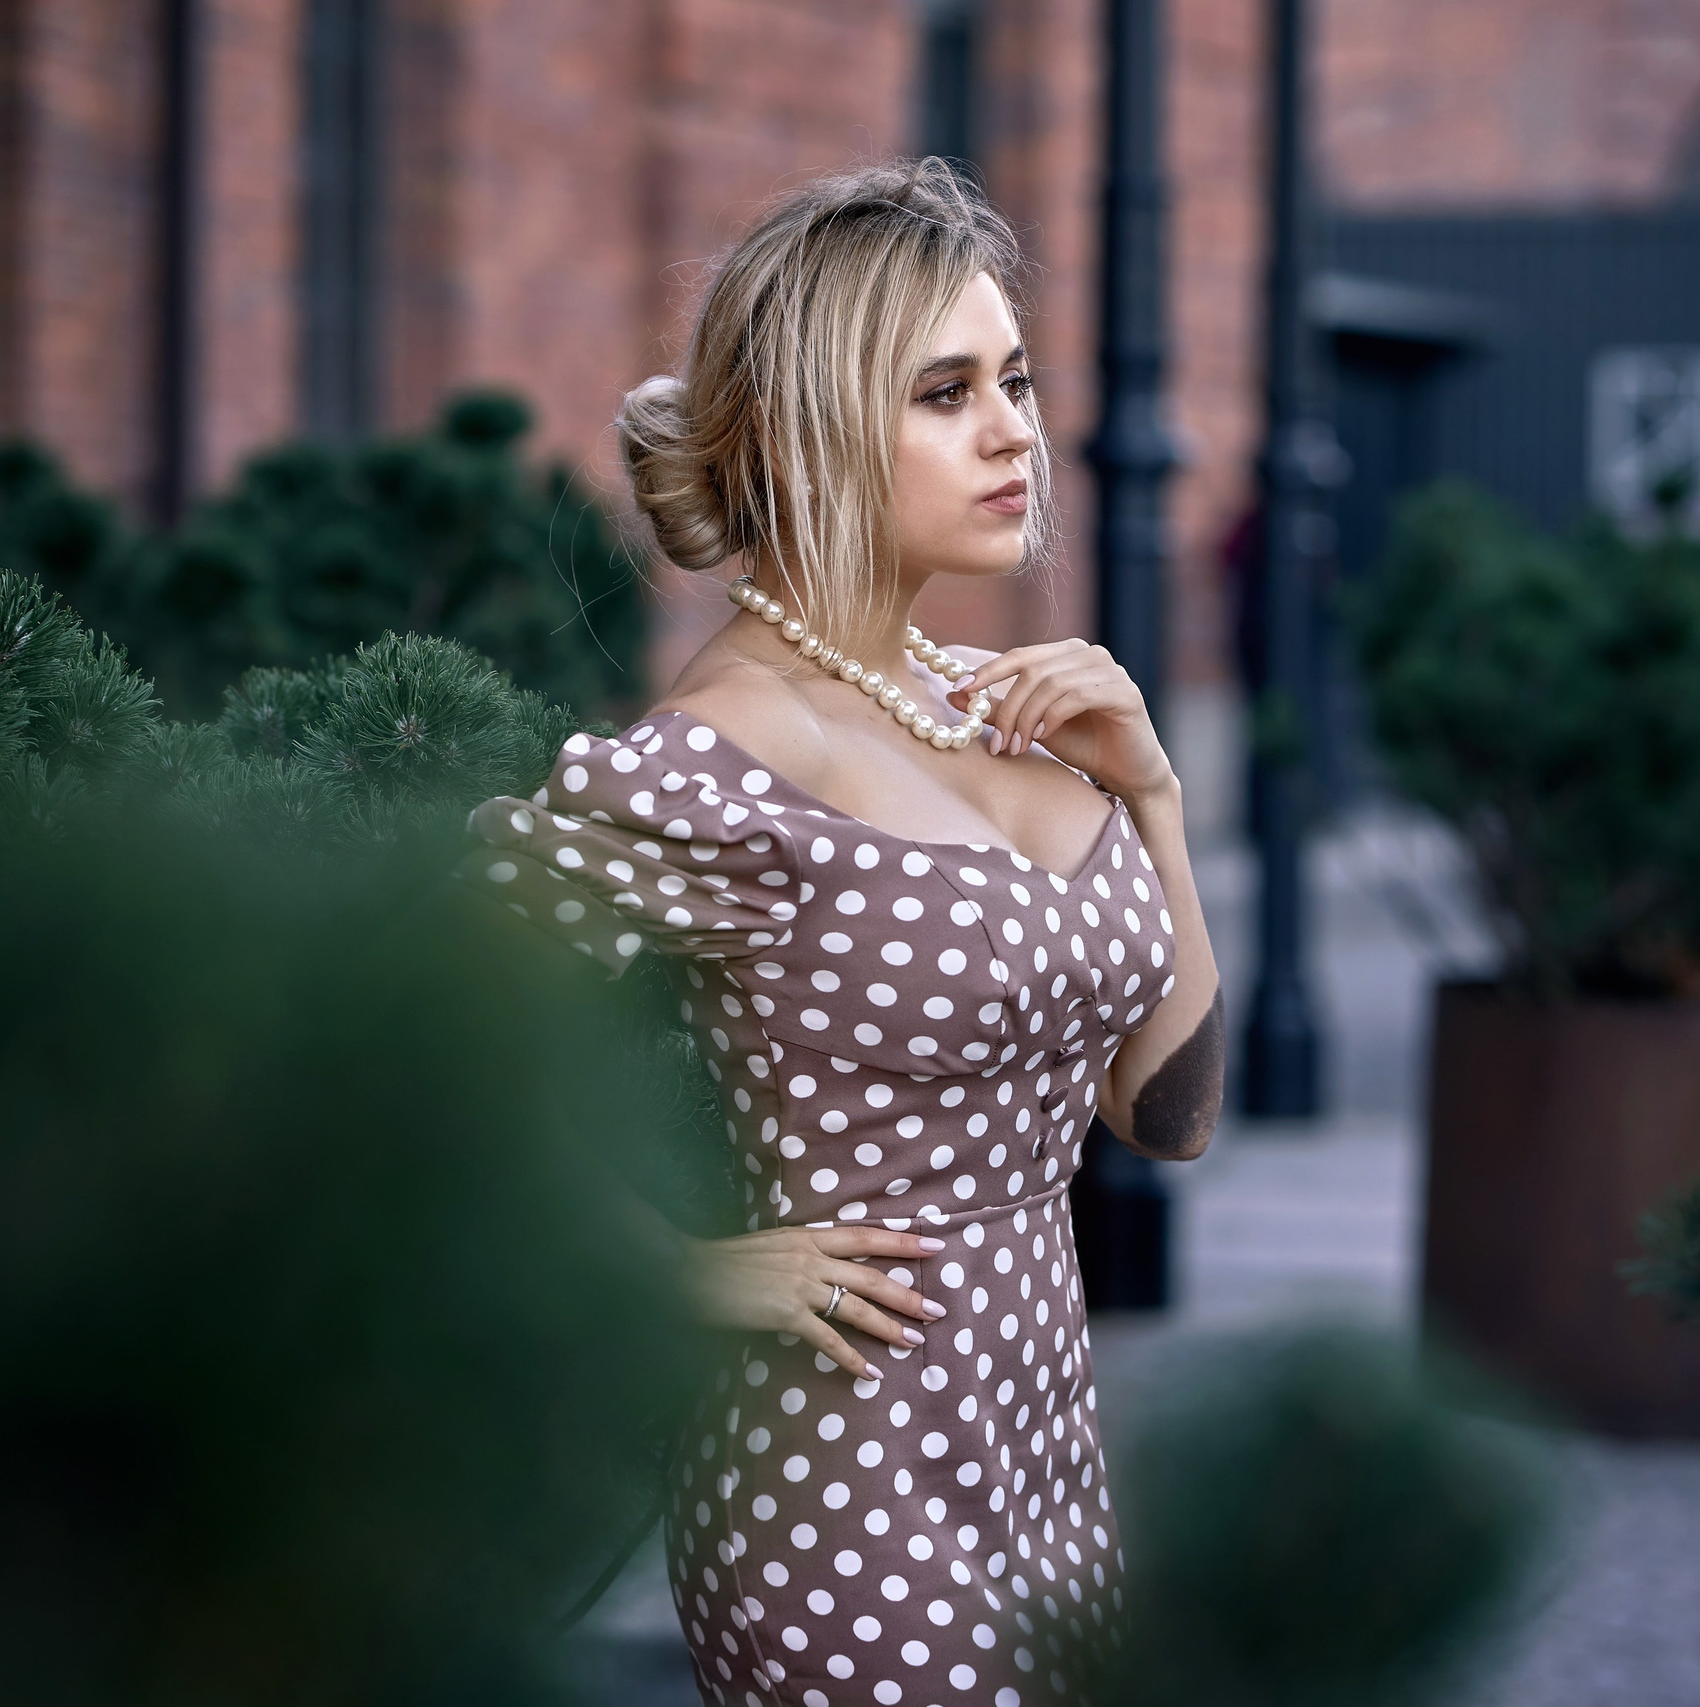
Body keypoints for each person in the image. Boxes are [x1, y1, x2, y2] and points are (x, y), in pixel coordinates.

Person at [468, 160, 1223, 1707]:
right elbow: (422, 1034)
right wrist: (676, 1271)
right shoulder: (709, 756)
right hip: (838, 1475)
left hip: (1045, 1444)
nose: (1016, 431)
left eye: (1013, 380)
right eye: (945, 392)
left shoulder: (998, 708)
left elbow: (1167, 1118)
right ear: (815, 425)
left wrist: (1152, 794)